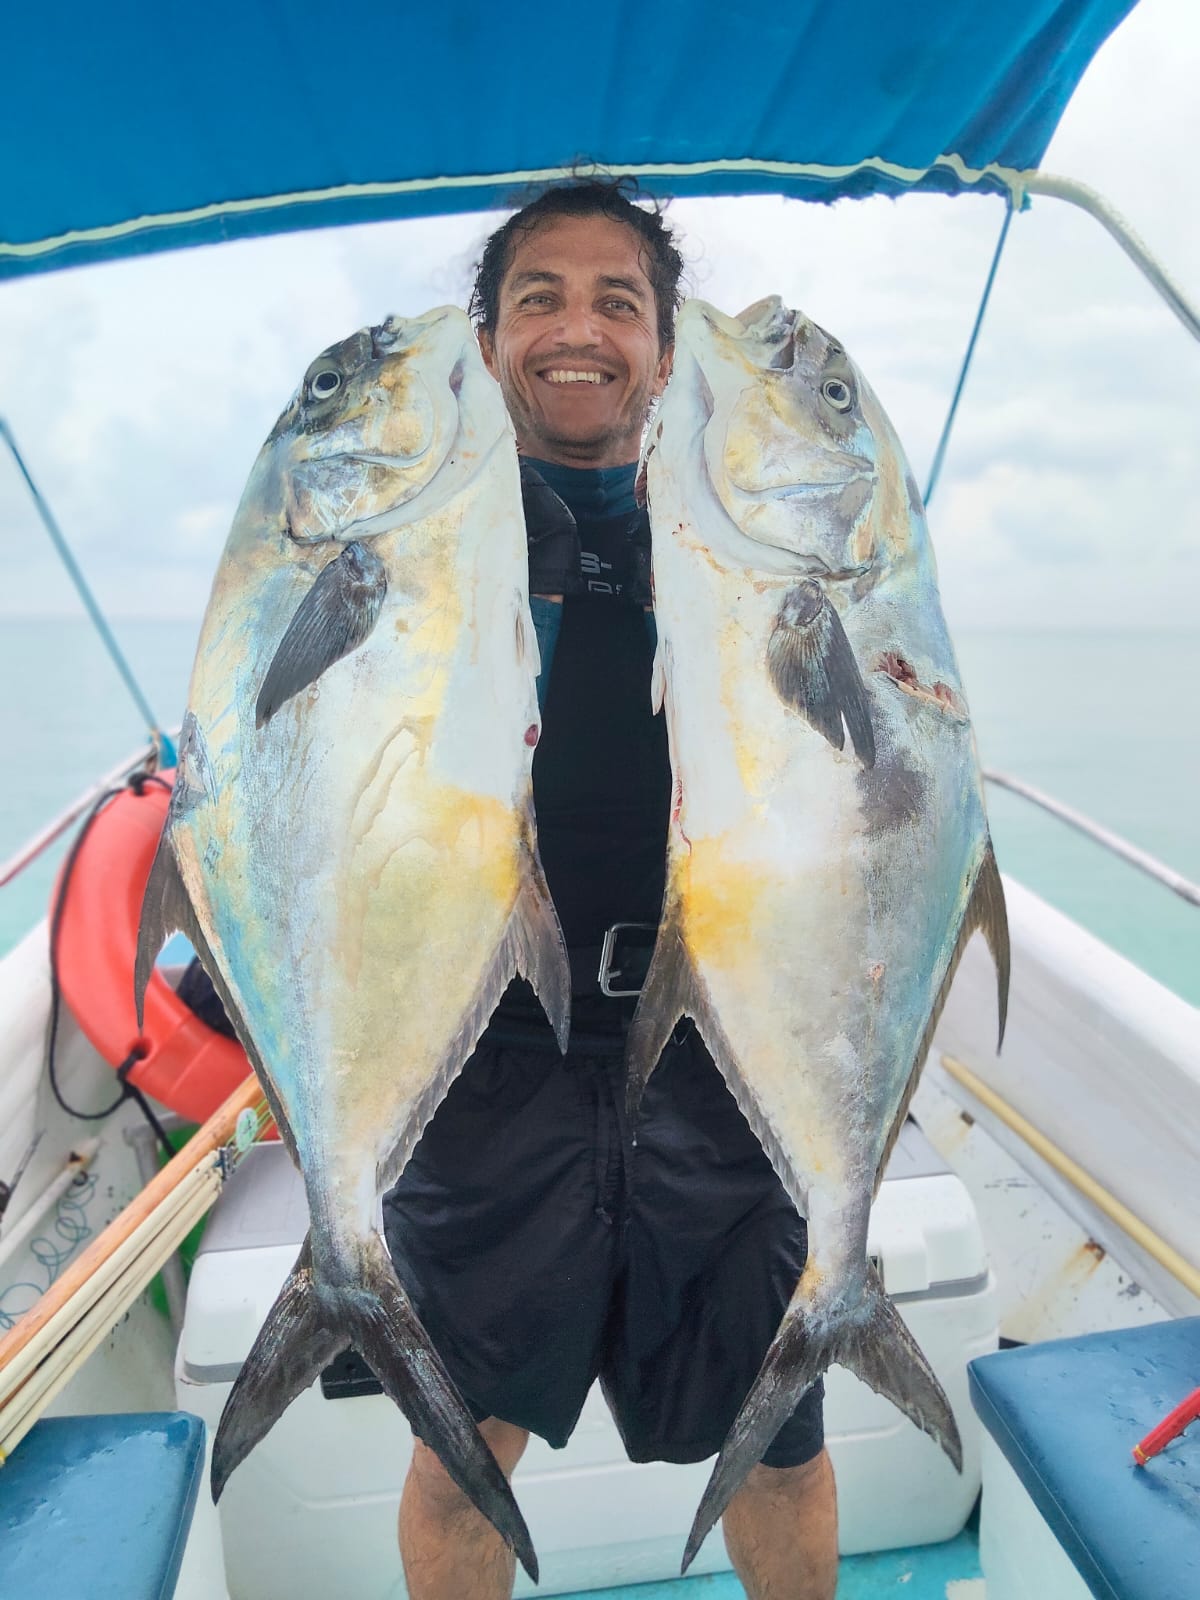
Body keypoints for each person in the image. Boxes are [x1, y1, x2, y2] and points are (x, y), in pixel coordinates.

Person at [381, 179, 839, 1600]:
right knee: (464, 1453)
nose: (577, 329)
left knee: (778, 1439)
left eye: (617, 302)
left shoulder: (734, 536)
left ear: (664, 346)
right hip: (483, 1042)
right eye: (540, 298)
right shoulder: (410, 539)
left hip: (718, 1036)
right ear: (488, 340)